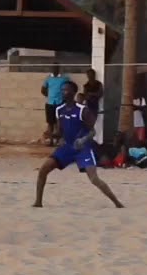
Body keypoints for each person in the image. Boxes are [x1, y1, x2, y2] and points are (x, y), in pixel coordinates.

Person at [33, 80, 123, 208]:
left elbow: (93, 131)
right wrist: (51, 135)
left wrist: (83, 140)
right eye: (62, 90)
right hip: (67, 147)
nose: (63, 92)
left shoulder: (82, 110)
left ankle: (117, 203)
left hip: (83, 147)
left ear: (73, 92)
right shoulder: (59, 109)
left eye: (66, 90)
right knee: (43, 170)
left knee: (94, 179)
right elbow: (60, 131)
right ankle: (38, 202)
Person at [41, 65, 67, 145]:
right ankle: (51, 140)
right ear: (52, 69)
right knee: (50, 123)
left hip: (60, 103)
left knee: (59, 122)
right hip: (50, 103)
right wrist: (49, 95)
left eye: (56, 68)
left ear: (58, 69)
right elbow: (43, 89)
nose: (55, 69)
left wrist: (63, 97)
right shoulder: (48, 78)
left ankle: (58, 140)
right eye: (53, 68)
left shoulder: (64, 78)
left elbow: (68, 87)